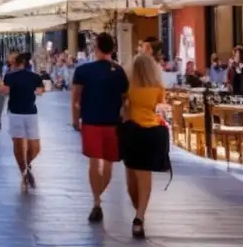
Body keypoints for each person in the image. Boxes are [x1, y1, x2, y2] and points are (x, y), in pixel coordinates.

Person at [72, 32, 129, 225]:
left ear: (96, 48)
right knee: (109, 164)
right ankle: (97, 199)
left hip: (91, 121)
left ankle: (96, 201)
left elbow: (76, 98)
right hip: (113, 123)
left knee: (94, 163)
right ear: (112, 49)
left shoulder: (83, 71)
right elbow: (124, 100)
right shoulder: (119, 71)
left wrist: (74, 120)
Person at [120, 53, 170, 241]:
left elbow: (125, 111)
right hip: (152, 134)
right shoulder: (158, 88)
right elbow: (161, 110)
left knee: (131, 180)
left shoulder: (129, 89)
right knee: (145, 179)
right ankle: (140, 216)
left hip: (132, 133)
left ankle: (139, 214)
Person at [0, 52, 44, 191]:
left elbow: (5, 91)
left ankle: (24, 168)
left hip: (16, 113)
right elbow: (41, 90)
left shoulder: (10, 77)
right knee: (35, 146)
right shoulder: (34, 77)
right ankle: (25, 169)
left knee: (19, 145)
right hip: (29, 112)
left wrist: (0, 87)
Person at [0, 50, 20, 145]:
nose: (13, 59)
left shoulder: (21, 68)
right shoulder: (5, 68)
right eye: (11, 57)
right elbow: (2, 81)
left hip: (18, 89)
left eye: (15, 57)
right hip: (5, 88)